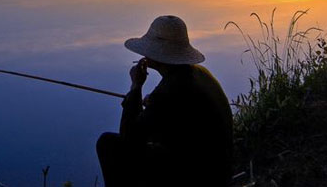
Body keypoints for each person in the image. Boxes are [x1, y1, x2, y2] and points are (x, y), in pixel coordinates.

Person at [96, 15, 233, 187]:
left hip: (199, 177)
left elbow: (129, 139)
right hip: (218, 170)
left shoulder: (171, 90)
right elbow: (169, 114)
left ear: (159, 54)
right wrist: (152, 105)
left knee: (108, 144)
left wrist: (136, 87)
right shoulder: (198, 73)